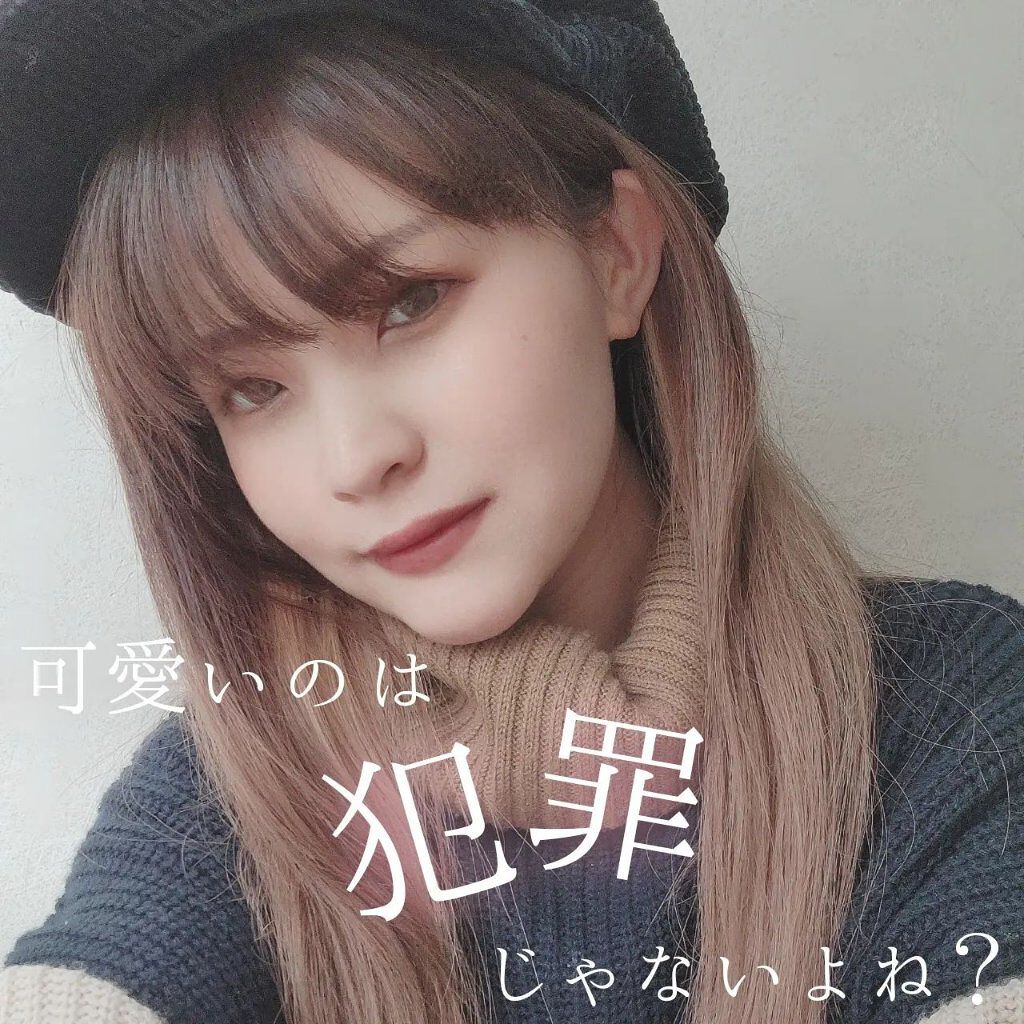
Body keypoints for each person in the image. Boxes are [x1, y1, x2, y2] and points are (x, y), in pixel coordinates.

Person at [1, 3, 1022, 1023]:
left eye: (410, 302)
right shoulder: (238, 780)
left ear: (616, 254)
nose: (356, 458)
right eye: (252, 389)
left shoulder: (952, 711)